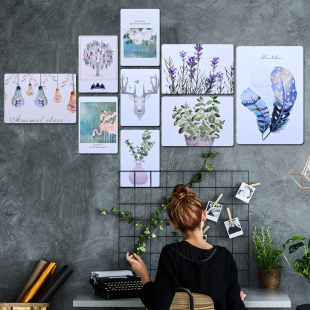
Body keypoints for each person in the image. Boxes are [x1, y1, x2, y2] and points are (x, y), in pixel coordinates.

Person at [126, 184, 246, 310]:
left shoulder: (171, 254)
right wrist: (238, 301)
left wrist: (144, 275)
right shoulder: (225, 256)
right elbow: (235, 307)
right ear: (204, 215)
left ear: (173, 224)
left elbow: (158, 306)